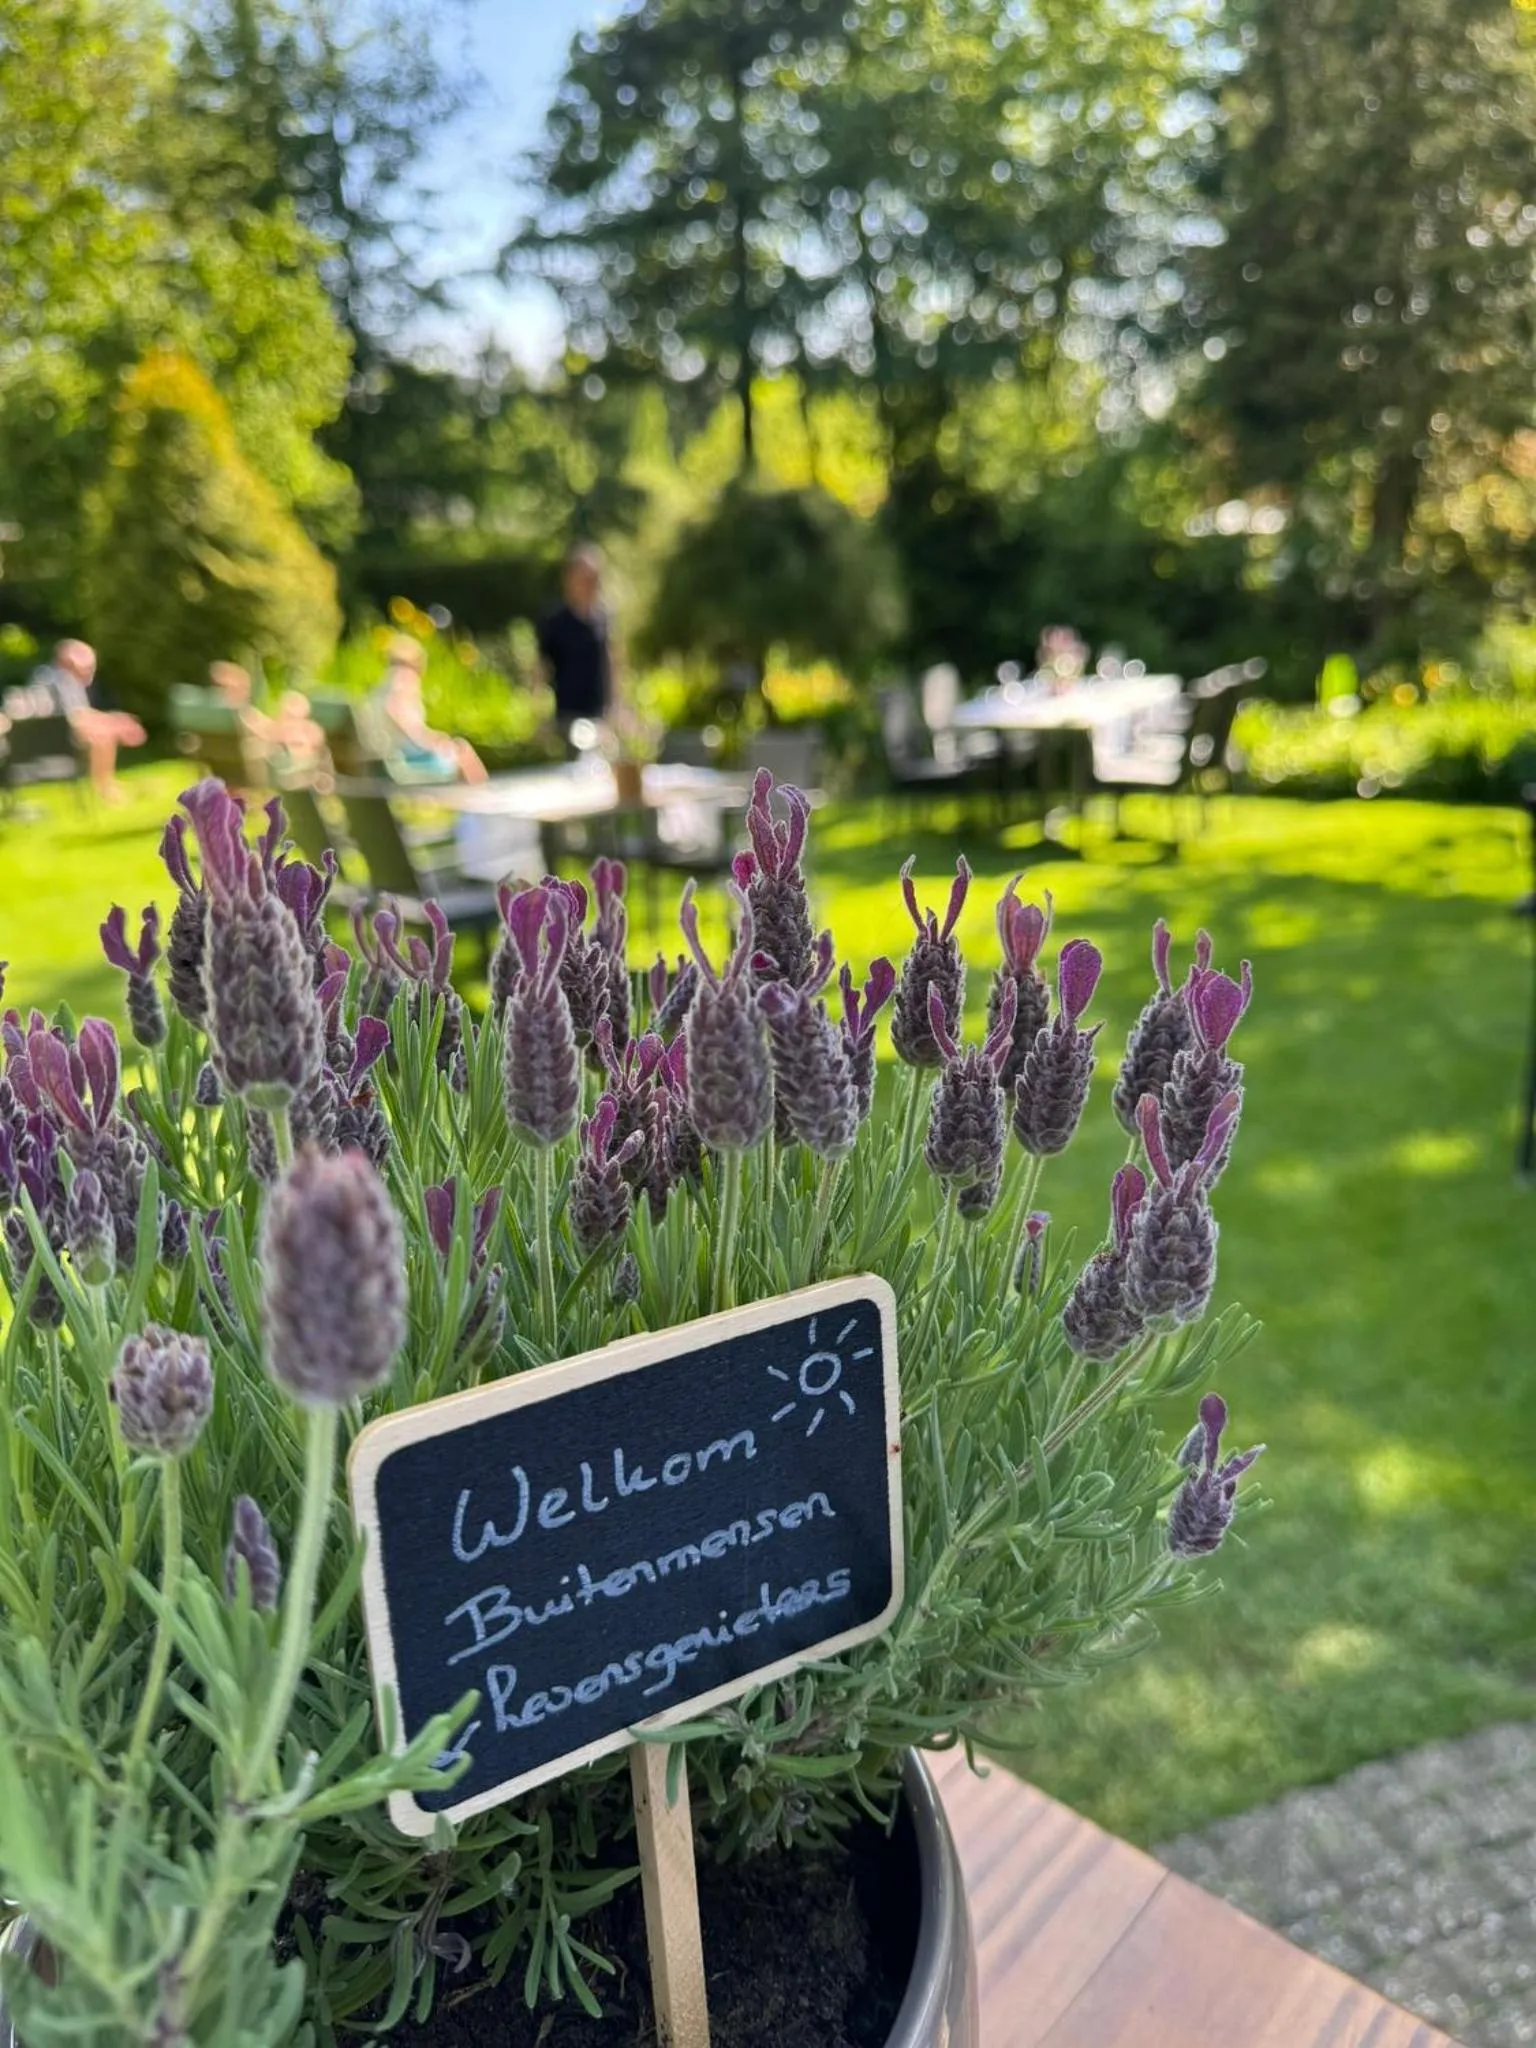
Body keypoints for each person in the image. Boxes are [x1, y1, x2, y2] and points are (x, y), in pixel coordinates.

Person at [12, 639, 146, 801]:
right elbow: (74, 717)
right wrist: (113, 722)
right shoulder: (61, 679)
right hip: (56, 742)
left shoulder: (45, 676)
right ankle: (105, 788)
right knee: (102, 737)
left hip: (40, 742)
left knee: (103, 734)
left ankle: (106, 786)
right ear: (68, 661)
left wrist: (112, 721)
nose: (90, 671)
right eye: (87, 665)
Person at [369, 636, 486, 783]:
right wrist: (427, 740)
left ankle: (478, 799)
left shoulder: (383, 683)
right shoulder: (404, 678)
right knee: (462, 751)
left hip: (389, 755)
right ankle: (482, 798)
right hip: (406, 757)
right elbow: (394, 711)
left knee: (457, 749)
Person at [537, 545, 619, 747]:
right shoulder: (554, 621)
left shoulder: (603, 618)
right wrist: (539, 716)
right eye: (584, 579)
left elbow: (612, 664)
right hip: (566, 718)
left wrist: (616, 706)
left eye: (593, 579)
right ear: (569, 579)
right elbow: (540, 670)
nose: (589, 585)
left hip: (598, 717)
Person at [209, 661, 325, 775]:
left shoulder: (213, 717)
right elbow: (269, 733)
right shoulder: (242, 715)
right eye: (242, 687)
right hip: (269, 768)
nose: (247, 691)